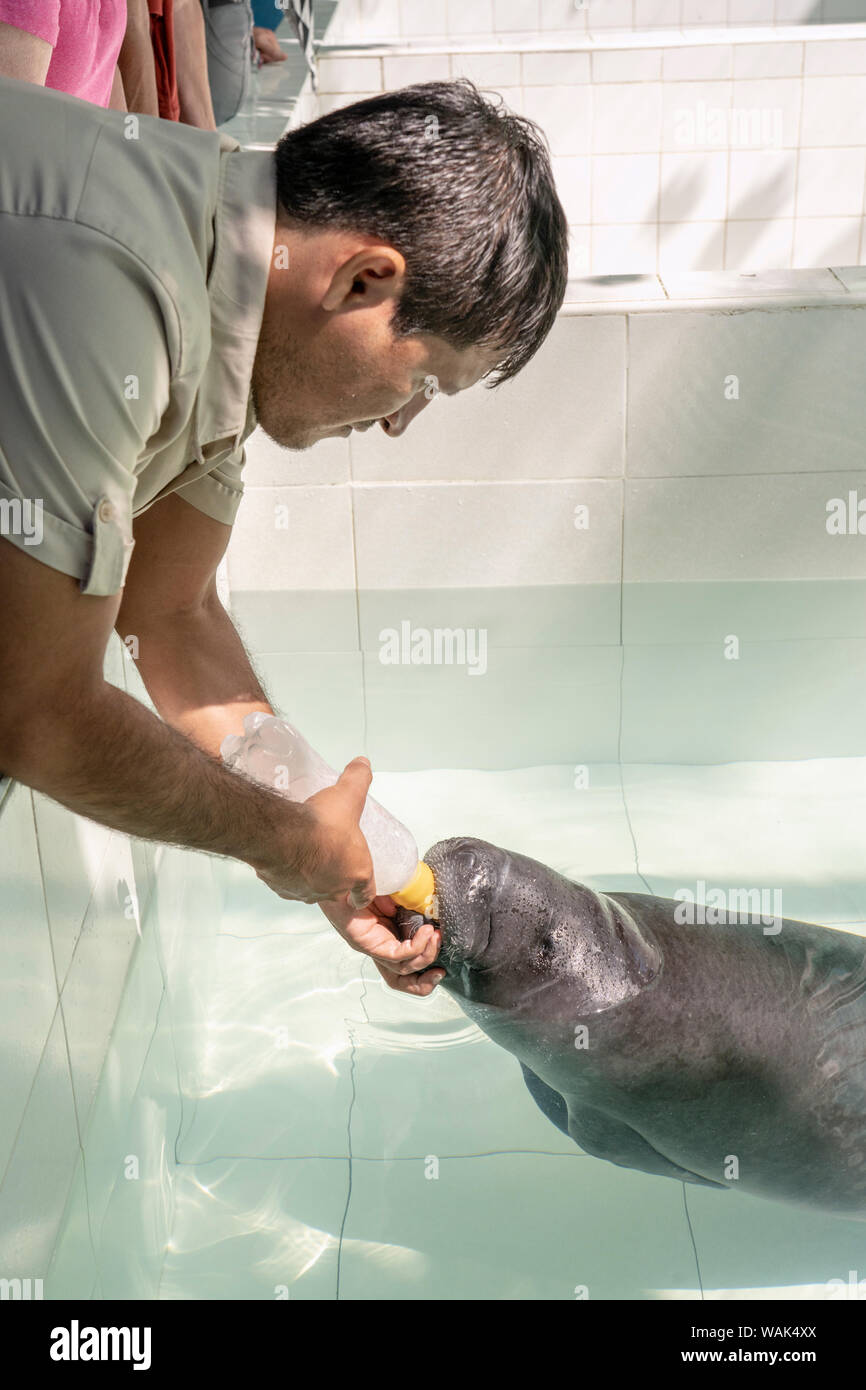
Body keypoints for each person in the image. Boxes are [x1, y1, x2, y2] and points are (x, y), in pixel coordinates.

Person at [0, 78, 568, 994]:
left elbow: (172, 615)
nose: (397, 425)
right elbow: (34, 714)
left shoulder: (229, 297)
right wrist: (289, 844)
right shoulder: (112, 287)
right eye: (424, 385)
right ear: (362, 278)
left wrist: (338, 851)